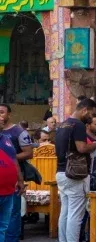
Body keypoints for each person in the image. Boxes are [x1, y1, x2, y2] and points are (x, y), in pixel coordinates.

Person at [56, 98, 96, 242]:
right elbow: (82, 148)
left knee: (65, 212)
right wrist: (95, 144)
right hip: (75, 174)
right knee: (76, 214)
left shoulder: (63, 124)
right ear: (84, 110)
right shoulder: (79, 125)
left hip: (61, 172)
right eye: (91, 114)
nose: (92, 118)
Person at [0, 104, 32, 242]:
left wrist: (20, 180)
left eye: (1, 113)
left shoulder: (14, 134)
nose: (0, 117)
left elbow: (17, 159)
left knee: (9, 219)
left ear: (9, 114)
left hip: (10, 187)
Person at [0, 131, 25, 242]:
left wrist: (20, 179)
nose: (0, 118)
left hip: (8, 191)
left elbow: (13, 159)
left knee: (3, 227)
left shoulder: (5, 138)